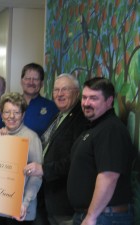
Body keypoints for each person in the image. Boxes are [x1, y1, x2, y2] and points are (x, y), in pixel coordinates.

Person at [67, 77, 136, 225]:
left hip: (104, 217)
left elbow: (109, 176)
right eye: (84, 97)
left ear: (109, 101)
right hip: (95, 215)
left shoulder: (111, 129)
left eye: (93, 98)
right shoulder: (95, 127)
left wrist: (91, 216)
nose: (86, 103)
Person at [25, 74, 88, 225]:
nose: (59, 94)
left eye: (65, 90)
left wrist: (44, 169)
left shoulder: (81, 119)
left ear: (76, 92)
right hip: (46, 197)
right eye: (56, 90)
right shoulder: (58, 116)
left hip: (64, 202)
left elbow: (76, 160)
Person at [0, 92, 42, 225]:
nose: (11, 116)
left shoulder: (32, 137)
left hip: (21, 210)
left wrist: (25, 203)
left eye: (16, 112)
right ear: (1, 114)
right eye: (7, 112)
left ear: (23, 115)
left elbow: (36, 176)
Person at [0, 63, 58, 137]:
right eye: (27, 78)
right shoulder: (8, 105)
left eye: (36, 79)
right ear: (21, 81)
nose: (31, 82)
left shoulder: (52, 108)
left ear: (41, 83)